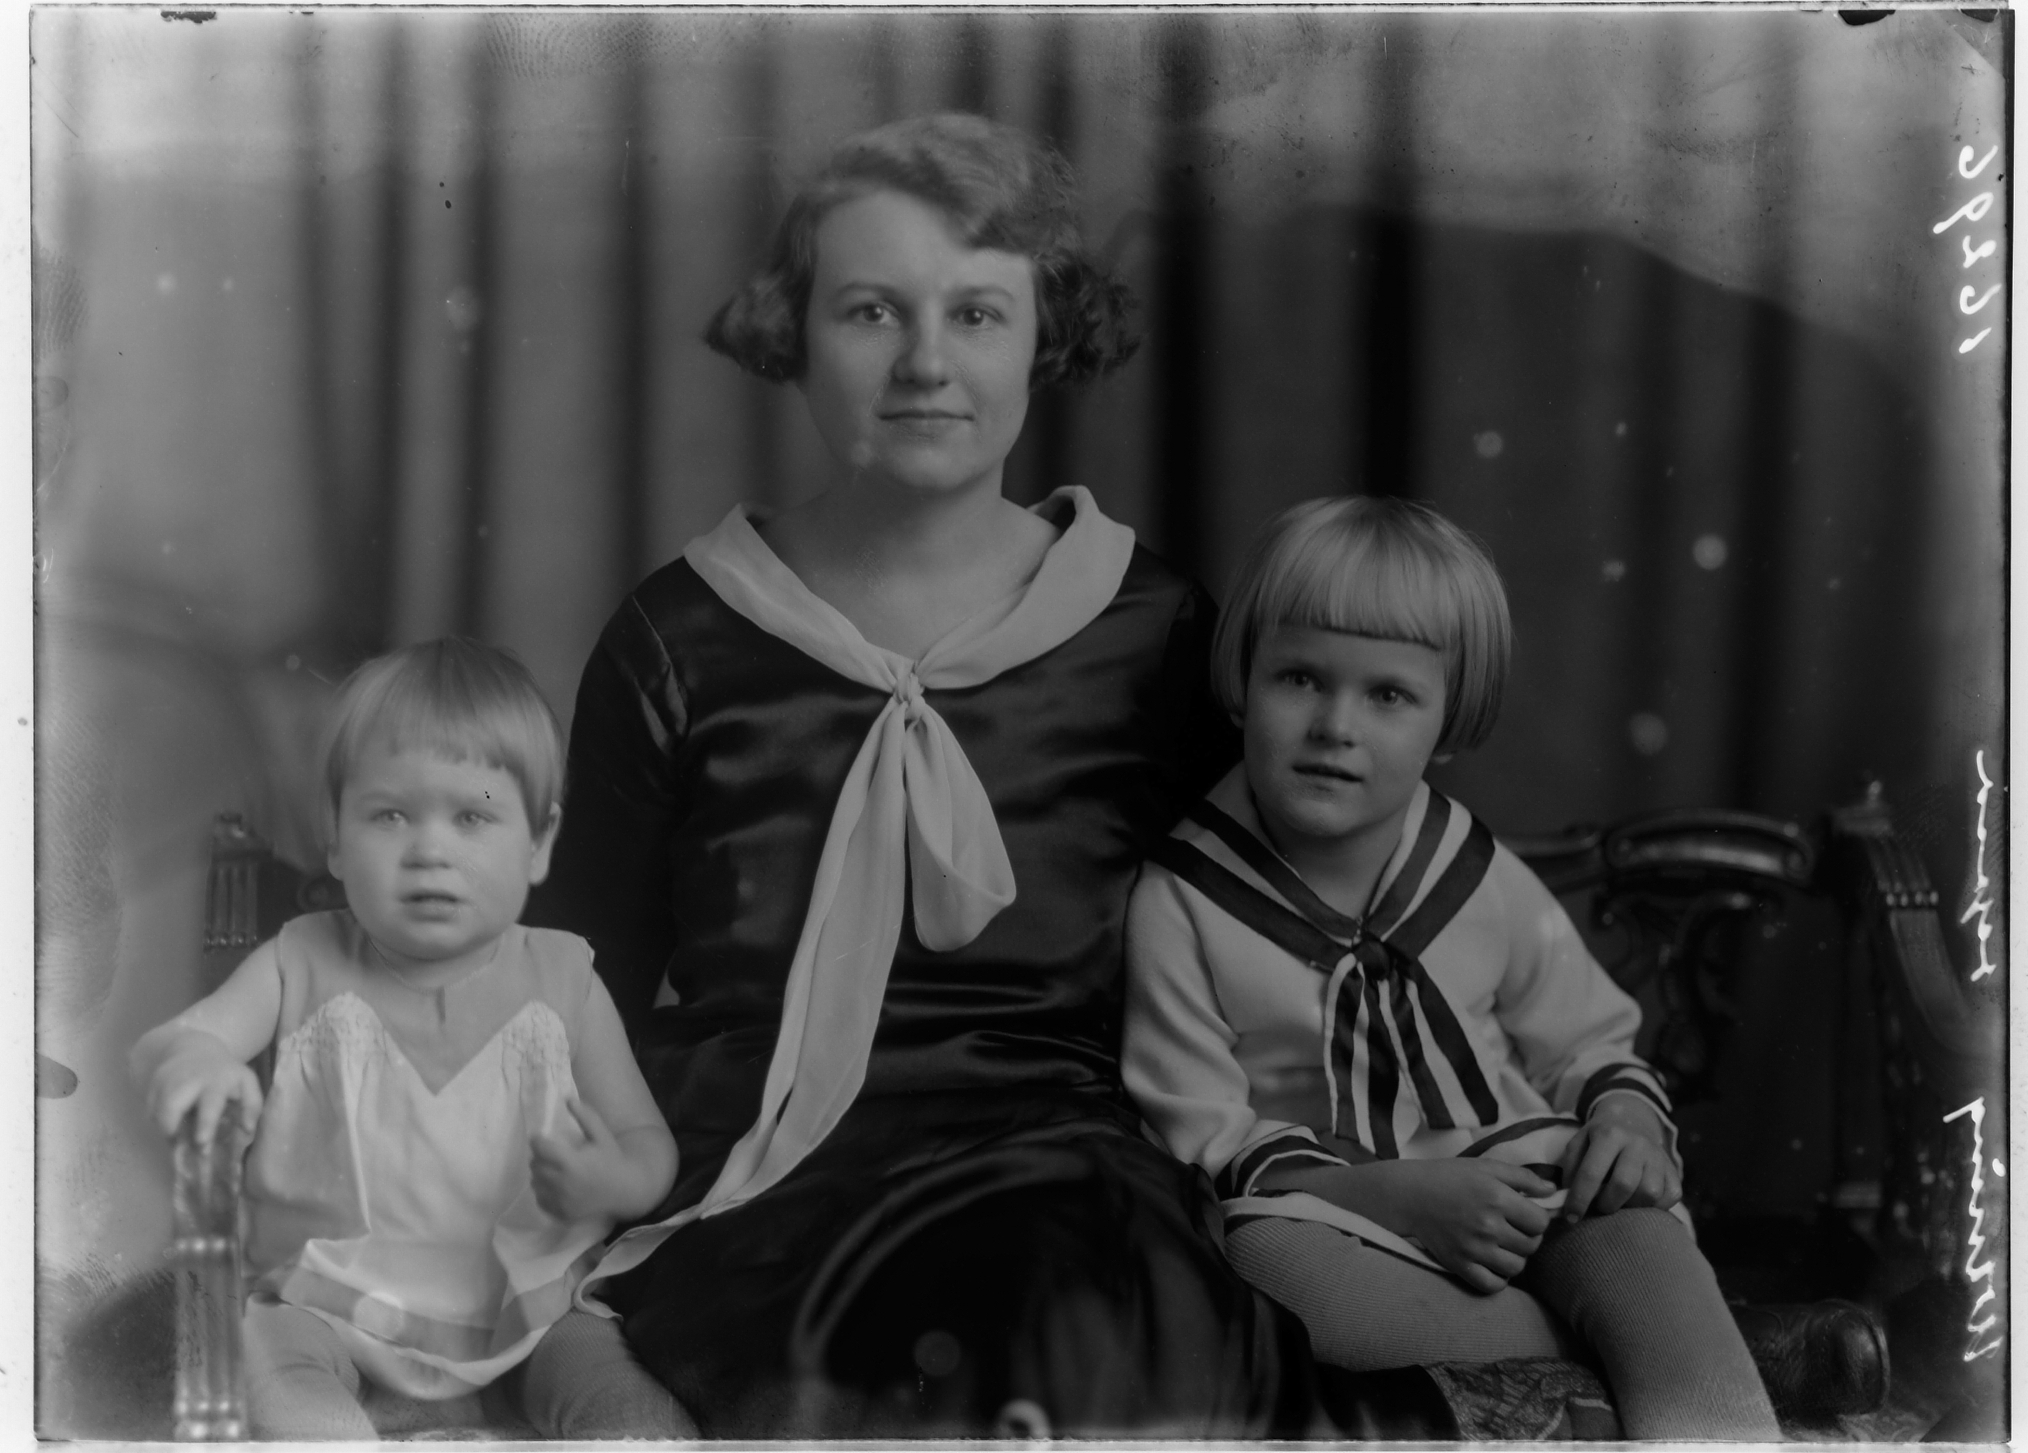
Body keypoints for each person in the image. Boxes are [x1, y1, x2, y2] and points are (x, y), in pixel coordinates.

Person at [528, 113, 1319, 1437]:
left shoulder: (1151, 630)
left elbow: (1258, 938)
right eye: (872, 311)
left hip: (1060, 1152)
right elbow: (577, 975)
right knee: (867, 1361)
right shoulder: (681, 635)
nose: (926, 364)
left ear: (1045, 334)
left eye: (978, 314)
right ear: (794, 333)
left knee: (1089, 1311)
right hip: (765, 1162)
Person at [1122, 496, 1785, 1440]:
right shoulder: (1181, 899)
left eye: (1388, 695)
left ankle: (1699, 1394)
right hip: (1336, 1211)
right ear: (1242, 680)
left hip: (1518, 1188)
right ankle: (1651, 1348)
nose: (1335, 725)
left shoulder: (1473, 872)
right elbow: (1202, 1135)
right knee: (1270, 1279)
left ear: (1449, 720)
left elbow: (1587, 1038)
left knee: (1631, 1225)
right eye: (1300, 678)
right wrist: (1394, 1196)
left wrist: (1628, 1120)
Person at [130, 638, 692, 1440]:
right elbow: (175, 1041)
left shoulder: (566, 979)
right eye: (390, 814)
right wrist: (199, 1061)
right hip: (325, 1297)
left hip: (530, 1304)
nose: (431, 849)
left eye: (473, 816)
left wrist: (616, 1178)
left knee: (638, 1418)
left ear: (538, 843)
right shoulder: (299, 959)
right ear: (334, 837)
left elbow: (647, 1142)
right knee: (280, 1381)